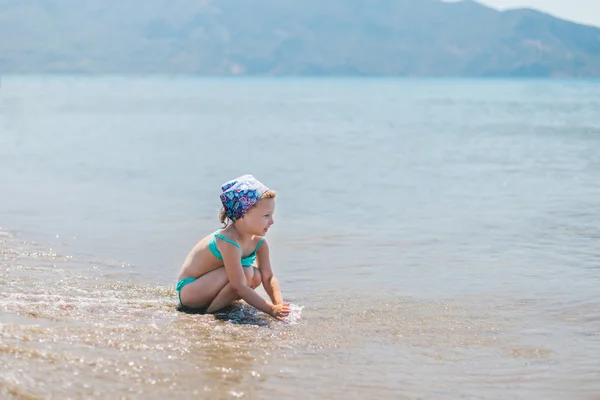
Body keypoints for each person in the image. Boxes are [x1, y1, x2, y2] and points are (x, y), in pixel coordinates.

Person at [175, 174, 291, 320]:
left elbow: (268, 278)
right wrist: (271, 309)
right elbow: (239, 286)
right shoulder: (228, 241)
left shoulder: (260, 242)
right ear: (243, 215)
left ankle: (219, 307)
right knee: (247, 274)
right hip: (191, 291)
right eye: (266, 215)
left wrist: (280, 305)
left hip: (210, 287)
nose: (272, 221)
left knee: (257, 276)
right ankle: (211, 313)